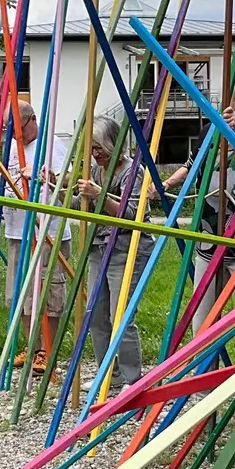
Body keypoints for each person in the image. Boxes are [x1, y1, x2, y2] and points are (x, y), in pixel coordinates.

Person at [151, 70, 235, 456]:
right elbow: (191, 168)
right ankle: (203, 411)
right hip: (210, 241)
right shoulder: (215, 129)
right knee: (202, 329)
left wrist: (230, 139)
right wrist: (162, 187)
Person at [0, 100, 72, 376]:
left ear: (32, 120)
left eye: (19, 128)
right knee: (19, 296)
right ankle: (32, 347)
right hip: (17, 232)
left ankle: (48, 351)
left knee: (50, 293)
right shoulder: (12, 145)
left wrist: (44, 175)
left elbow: (68, 181)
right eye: (10, 130)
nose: (14, 135)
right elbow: (11, 177)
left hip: (46, 232)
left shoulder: (51, 145)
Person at [75, 116, 154, 389]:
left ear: (112, 143)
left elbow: (132, 214)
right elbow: (79, 203)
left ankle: (133, 379)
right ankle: (108, 374)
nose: (95, 154)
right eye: (91, 149)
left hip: (127, 249)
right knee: (95, 314)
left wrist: (99, 194)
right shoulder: (96, 171)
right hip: (100, 247)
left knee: (120, 316)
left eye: (99, 148)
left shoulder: (134, 172)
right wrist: (54, 187)